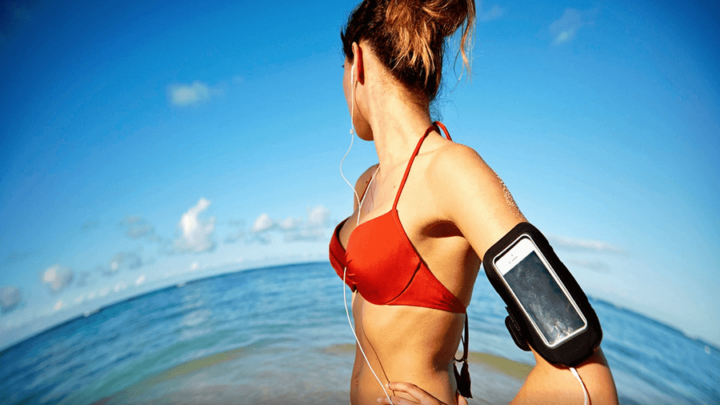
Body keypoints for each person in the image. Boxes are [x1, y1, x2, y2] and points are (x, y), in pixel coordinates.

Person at [329, 0, 619, 404]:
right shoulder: (367, 183)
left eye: (340, 70)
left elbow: (584, 378)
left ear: (357, 61)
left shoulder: (452, 172)